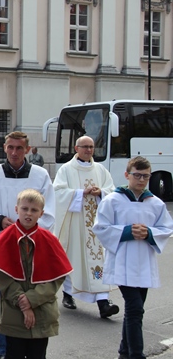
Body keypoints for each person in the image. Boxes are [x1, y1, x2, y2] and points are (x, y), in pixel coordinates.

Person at [0, 131, 55, 359]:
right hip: (4, 247)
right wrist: (0, 220)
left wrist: (28, 230)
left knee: (32, 300)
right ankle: (5, 351)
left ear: (27, 149)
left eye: (19, 148)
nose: (14, 152)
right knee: (3, 301)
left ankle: (32, 350)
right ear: (4, 148)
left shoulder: (40, 175)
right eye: (10, 147)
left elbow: (49, 212)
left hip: (31, 249)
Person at [93, 156, 173, 359]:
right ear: (127, 175)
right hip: (122, 262)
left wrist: (149, 233)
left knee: (135, 311)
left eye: (146, 176)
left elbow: (166, 228)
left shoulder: (155, 203)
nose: (142, 180)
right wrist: (127, 231)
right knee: (135, 308)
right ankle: (137, 354)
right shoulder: (113, 200)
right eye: (137, 175)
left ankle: (124, 352)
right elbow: (100, 228)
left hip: (144, 263)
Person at [0, 189, 72, 359]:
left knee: (38, 354)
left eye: (34, 210)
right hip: (14, 312)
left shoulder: (49, 239)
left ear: (41, 213)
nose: (28, 213)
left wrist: (32, 299)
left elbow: (57, 277)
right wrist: (23, 303)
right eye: (25, 209)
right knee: (14, 354)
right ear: (16, 209)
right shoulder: (5, 237)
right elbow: (1, 276)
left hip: (42, 311)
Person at [53, 135, 118, 317]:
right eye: (85, 147)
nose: (88, 150)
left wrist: (101, 193)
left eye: (91, 147)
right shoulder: (66, 169)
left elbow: (112, 191)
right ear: (76, 148)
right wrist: (80, 193)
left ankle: (103, 303)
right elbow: (57, 192)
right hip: (75, 223)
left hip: (96, 226)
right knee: (74, 259)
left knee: (99, 261)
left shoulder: (100, 170)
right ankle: (68, 294)